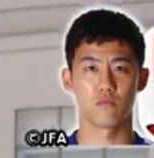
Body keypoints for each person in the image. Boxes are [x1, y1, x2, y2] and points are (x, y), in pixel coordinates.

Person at [61, 8, 149, 146]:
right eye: (91, 68)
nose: (106, 84)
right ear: (68, 80)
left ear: (142, 79)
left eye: (119, 68)